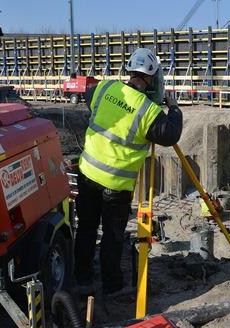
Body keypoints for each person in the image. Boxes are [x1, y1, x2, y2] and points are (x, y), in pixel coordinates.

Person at [75, 48, 183, 295]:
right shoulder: (148, 110)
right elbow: (170, 135)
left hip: (87, 174)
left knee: (87, 228)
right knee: (112, 237)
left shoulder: (105, 88)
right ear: (150, 78)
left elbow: (89, 97)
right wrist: (174, 109)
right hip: (116, 184)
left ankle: (82, 279)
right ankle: (112, 286)